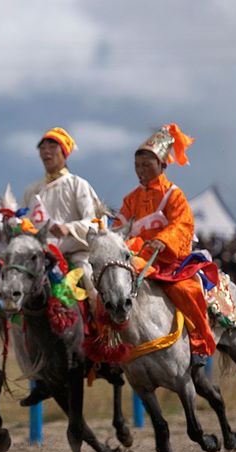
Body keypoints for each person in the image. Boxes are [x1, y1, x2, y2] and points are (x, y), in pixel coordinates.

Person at [114, 123, 215, 371]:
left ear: (162, 164)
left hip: (169, 260)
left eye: (146, 165)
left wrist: (164, 240)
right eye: (137, 166)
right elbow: (119, 228)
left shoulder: (173, 195)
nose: (141, 171)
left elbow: (183, 224)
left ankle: (199, 344)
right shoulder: (130, 199)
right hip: (137, 258)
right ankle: (110, 347)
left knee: (187, 290)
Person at [21, 127, 108, 301]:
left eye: (52, 147)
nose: (46, 152)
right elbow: (23, 221)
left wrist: (69, 228)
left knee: (91, 285)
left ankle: (100, 317)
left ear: (64, 152)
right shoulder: (32, 190)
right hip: (40, 258)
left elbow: (95, 221)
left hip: (75, 256)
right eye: (42, 148)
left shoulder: (78, 184)